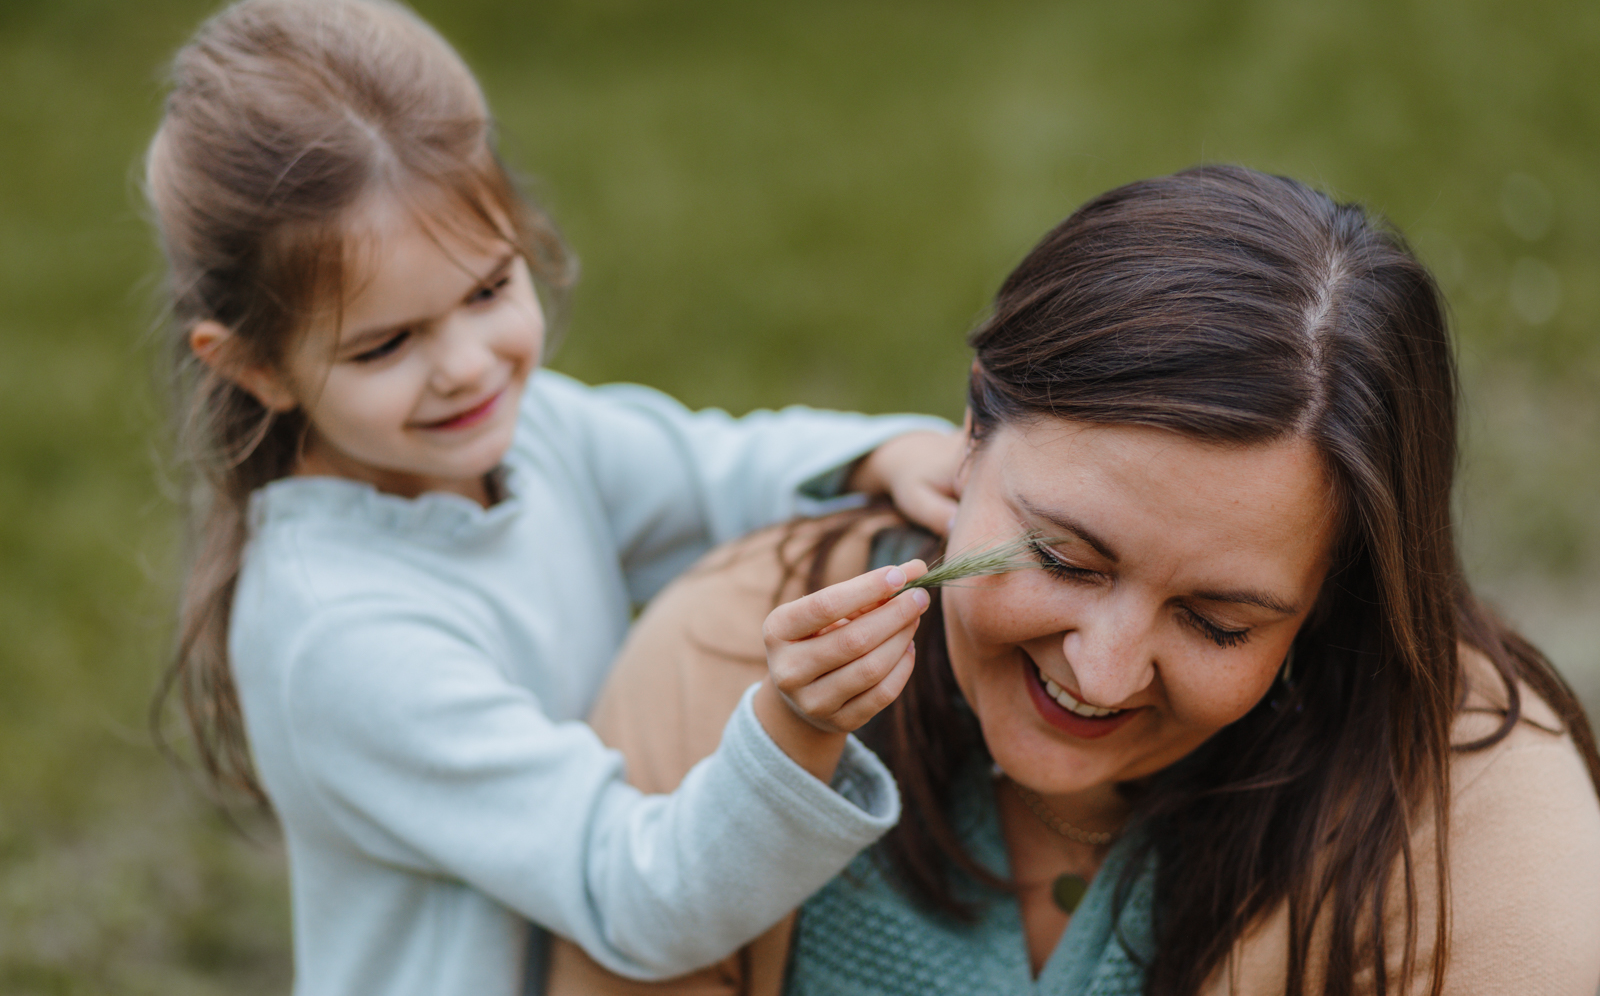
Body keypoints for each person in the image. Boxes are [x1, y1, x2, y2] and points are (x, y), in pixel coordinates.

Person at [546, 165, 1600, 995]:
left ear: (1333, 595)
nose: (1099, 671)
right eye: (1062, 557)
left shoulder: (1484, 827)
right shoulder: (728, 654)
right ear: (968, 431)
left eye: (1217, 620)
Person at [145, 0, 963, 996]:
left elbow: (714, 470)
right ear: (254, 366)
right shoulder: (341, 634)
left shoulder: (532, 433)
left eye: (488, 288)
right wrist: (798, 726)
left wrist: (878, 454)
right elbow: (635, 893)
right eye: (386, 343)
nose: (466, 366)